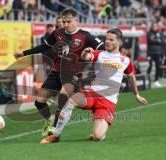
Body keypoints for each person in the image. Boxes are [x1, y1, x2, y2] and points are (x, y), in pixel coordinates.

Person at [40, 28, 148, 144]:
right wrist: (85, 52)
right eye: (106, 39)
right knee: (70, 100)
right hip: (92, 94)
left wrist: (136, 95)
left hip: (108, 101)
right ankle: (55, 135)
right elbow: (86, 56)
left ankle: (99, 135)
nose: (107, 41)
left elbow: (131, 77)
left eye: (111, 39)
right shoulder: (99, 54)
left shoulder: (126, 60)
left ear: (120, 42)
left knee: (98, 136)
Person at [14, 7, 105, 136]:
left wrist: (92, 56)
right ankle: (50, 121)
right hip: (56, 72)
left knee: (62, 100)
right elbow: (44, 46)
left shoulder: (85, 36)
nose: (66, 24)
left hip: (73, 74)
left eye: (69, 21)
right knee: (39, 102)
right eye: (64, 21)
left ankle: (54, 133)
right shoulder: (57, 33)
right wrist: (23, 53)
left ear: (76, 20)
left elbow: (102, 48)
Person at [147, 22, 163, 87]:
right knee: (150, 66)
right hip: (151, 52)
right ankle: (147, 77)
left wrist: (157, 40)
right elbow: (151, 40)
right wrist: (158, 40)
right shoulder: (149, 33)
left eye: (156, 26)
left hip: (158, 52)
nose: (155, 27)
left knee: (158, 66)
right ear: (151, 26)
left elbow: (162, 41)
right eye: (154, 26)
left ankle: (156, 80)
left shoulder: (159, 33)